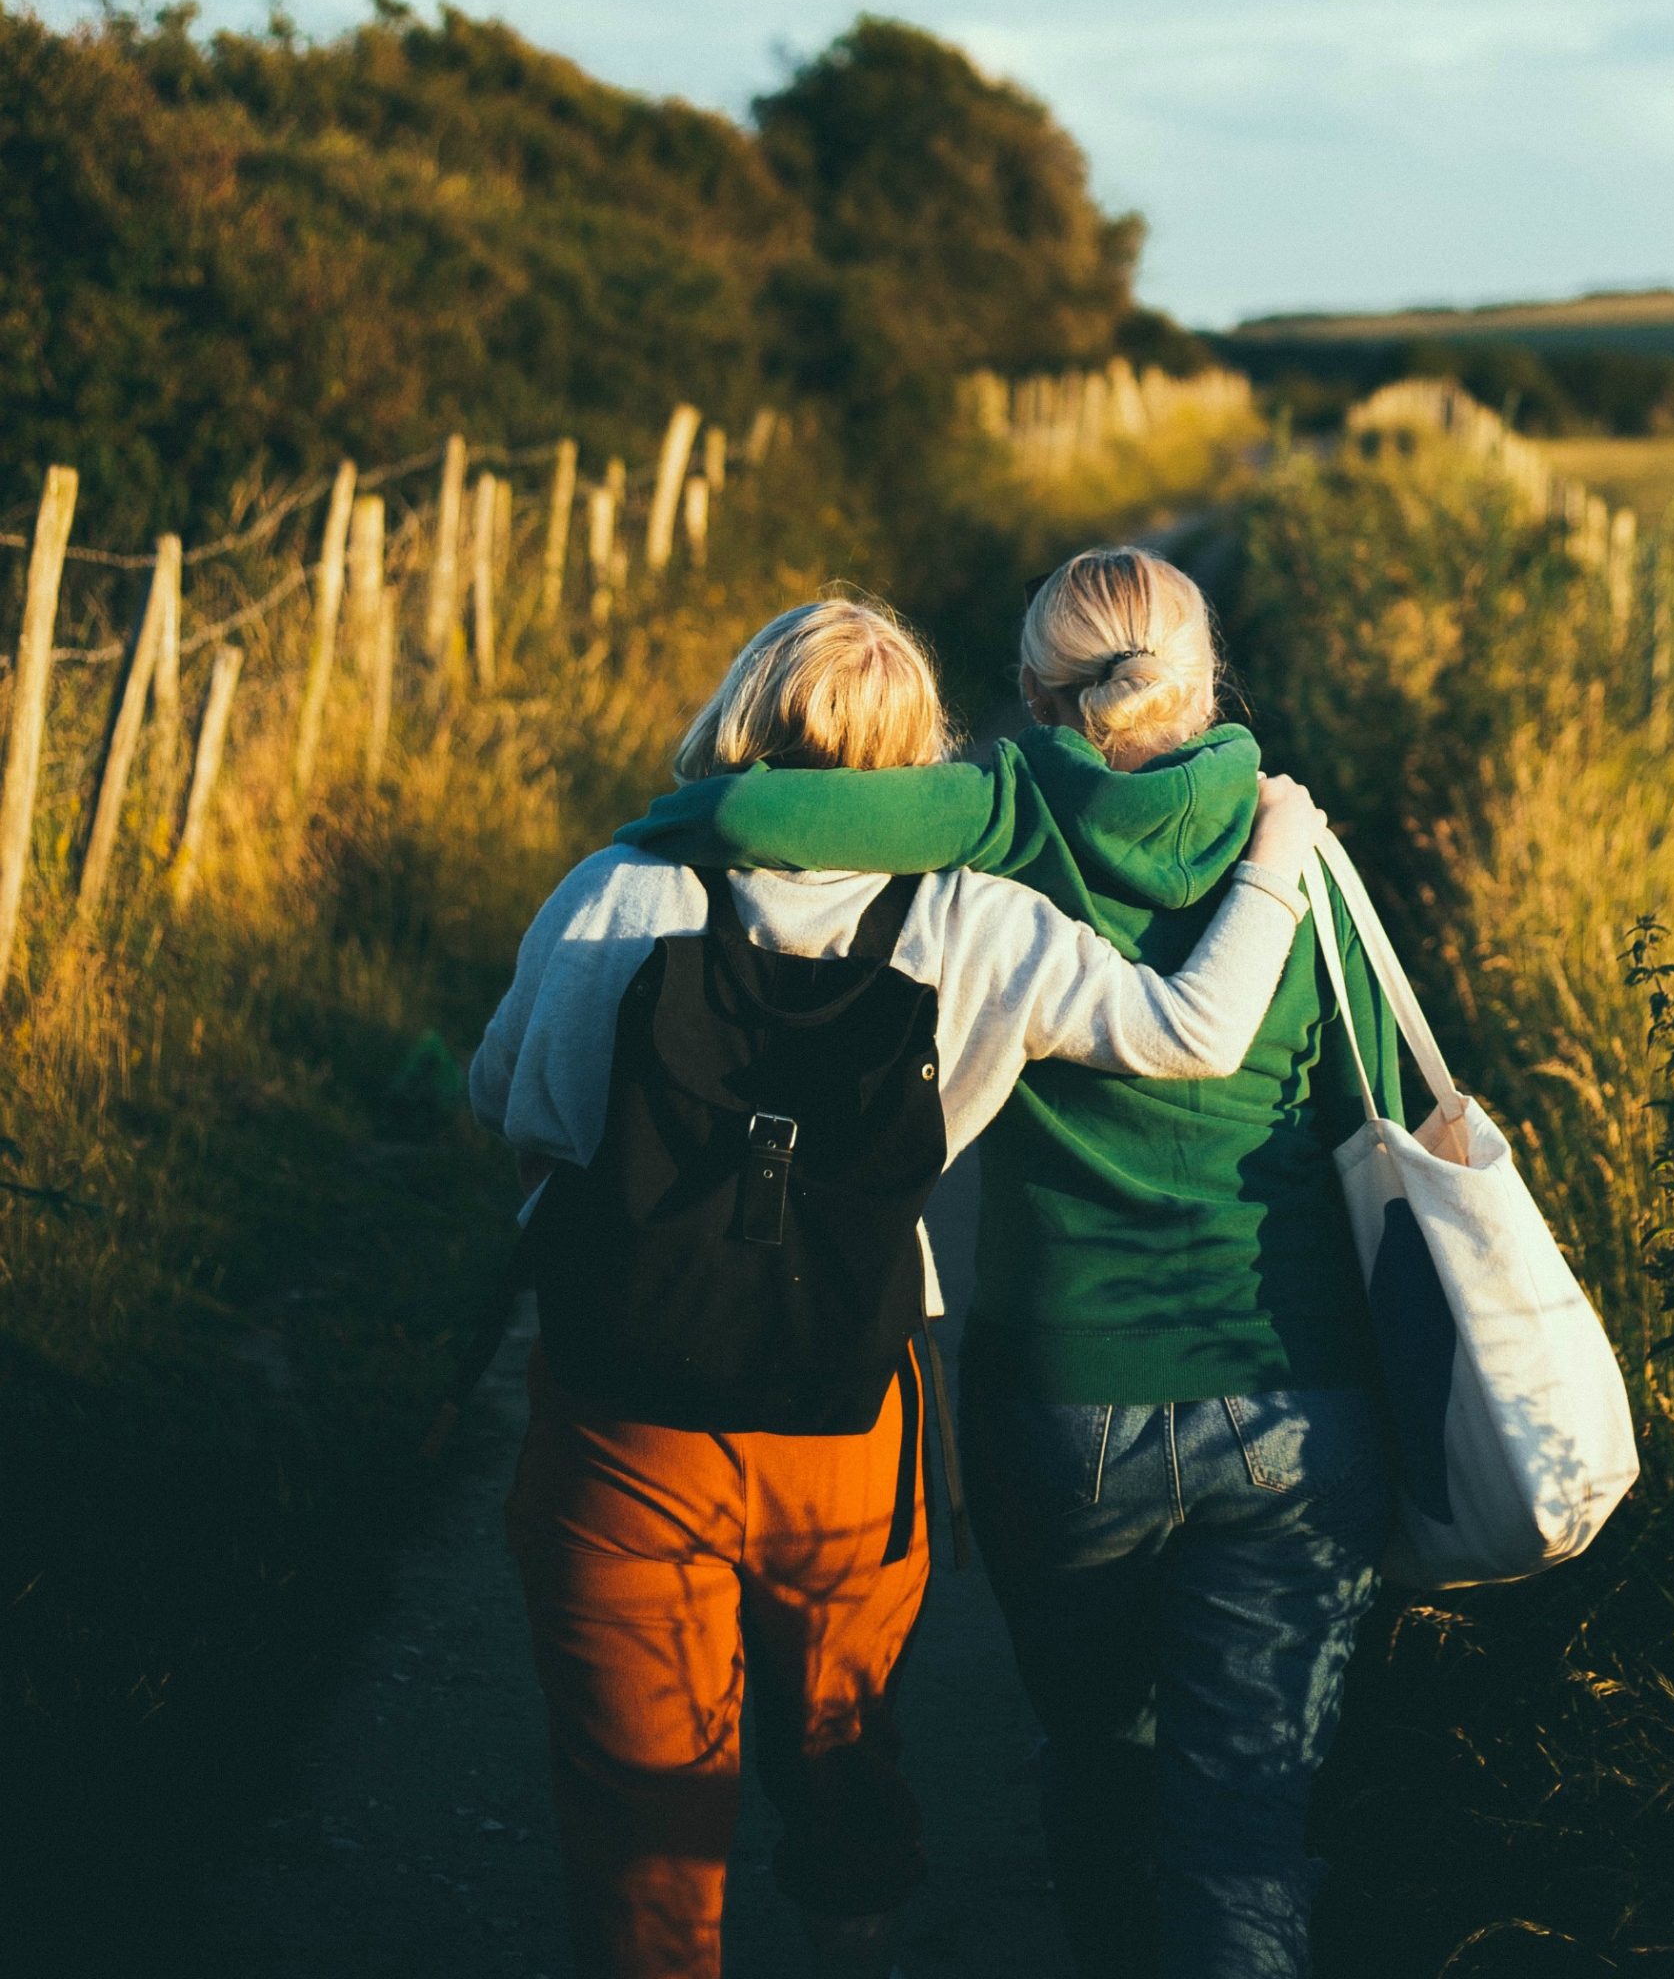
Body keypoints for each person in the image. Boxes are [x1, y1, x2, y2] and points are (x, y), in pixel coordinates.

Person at [470, 595, 1326, 1979]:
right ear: (923, 754)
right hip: (852, 1403)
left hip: (622, 1412)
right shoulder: (981, 921)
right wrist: (1282, 849)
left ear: (739, 716)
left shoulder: (617, 888)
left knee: (638, 1801)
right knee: (840, 1731)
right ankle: (851, 1929)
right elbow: (1186, 1034)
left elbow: (509, 1100)